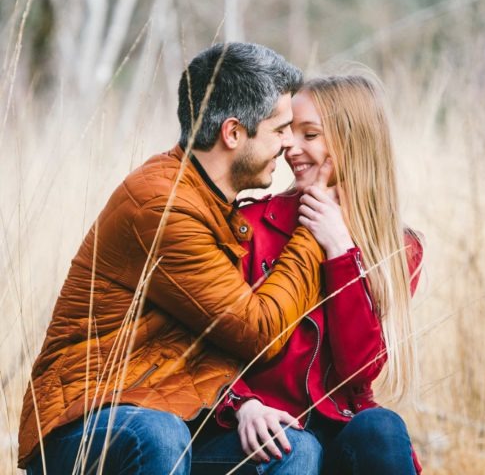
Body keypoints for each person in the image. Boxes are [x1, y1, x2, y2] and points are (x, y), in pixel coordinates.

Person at [18, 42, 330, 474]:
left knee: (292, 449)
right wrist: (313, 231)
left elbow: (200, 341)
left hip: (166, 408)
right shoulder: (162, 207)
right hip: (82, 421)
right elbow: (257, 330)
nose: (288, 144)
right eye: (279, 130)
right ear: (234, 133)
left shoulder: (215, 203)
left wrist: (243, 404)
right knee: (159, 434)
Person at [212, 75, 424, 474]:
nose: (290, 145)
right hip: (262, 430)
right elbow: (210, 338)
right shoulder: (250, 226)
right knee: (300, 449)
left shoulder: (399, 248)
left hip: (339, 429)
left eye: (310, 133)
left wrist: (339, 250)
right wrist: (242, 404)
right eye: (288, 131)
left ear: (353, 144)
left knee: (382, 427)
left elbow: (358, 371)